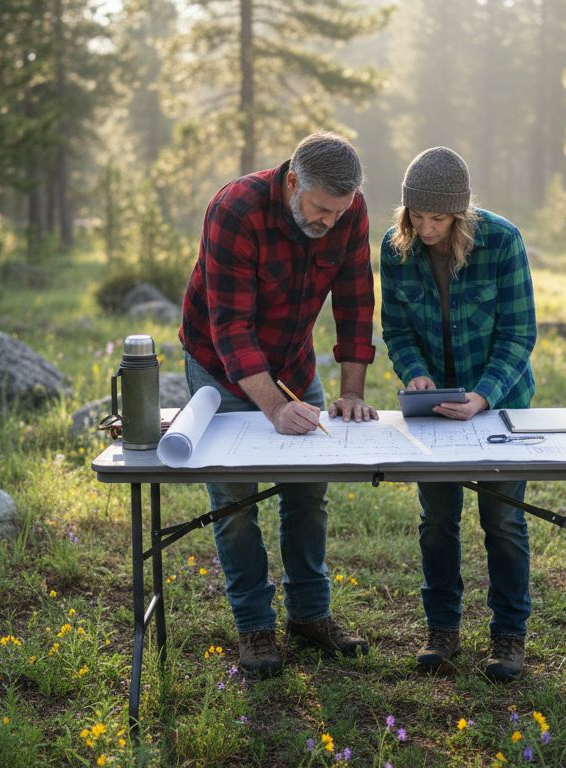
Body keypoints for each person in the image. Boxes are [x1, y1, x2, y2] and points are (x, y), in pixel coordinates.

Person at [178, 131, 379, 679]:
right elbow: (231, 327)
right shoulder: (234, 209)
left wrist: (352, 392)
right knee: (234, 500)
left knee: (308, 492)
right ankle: (255, 627)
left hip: (293, 363)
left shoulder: (348, 207)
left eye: (339, 213)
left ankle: (310, 616)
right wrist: (271, 408)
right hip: (218, 368)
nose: (330, 222)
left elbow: (357, 300)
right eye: (320, 210)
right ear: (293, 182)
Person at [380, 146, 537, 681]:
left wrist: (483, 396)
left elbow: (519, 335)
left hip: (498, 406)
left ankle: (508, 637)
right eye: (416, 216)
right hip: (433, 407)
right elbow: (397, 330)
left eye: (437, 218)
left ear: (460, 213)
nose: (425, 228)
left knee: (503, 520)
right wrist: (415, 373)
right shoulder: (395, 247)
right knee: (438, 520)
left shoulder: (502, 241)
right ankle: (441, 630)